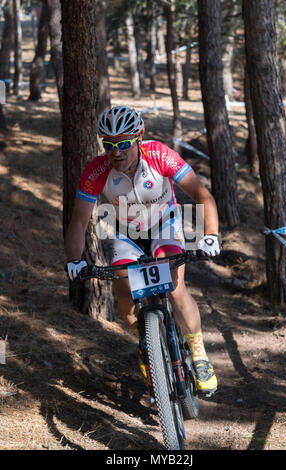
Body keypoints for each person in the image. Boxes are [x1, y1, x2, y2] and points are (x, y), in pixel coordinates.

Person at [65, 105, 221, 395]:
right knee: (124, 291)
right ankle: (145, 340)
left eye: (123, 143)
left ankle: (198, 353)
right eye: (109, 145)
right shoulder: (96, 170)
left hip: (165, 224)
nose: (116, 152)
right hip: (124, 230)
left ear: (139, 138)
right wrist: (74, 260)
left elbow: (201, 194)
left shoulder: (159, 155)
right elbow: (79, 220)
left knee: (175, 287)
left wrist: (211, 236)